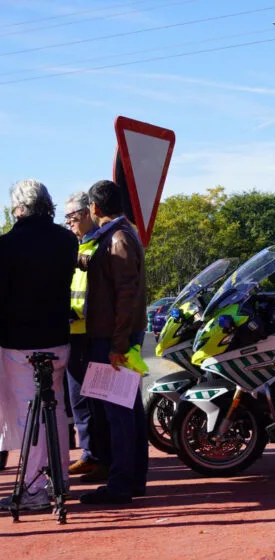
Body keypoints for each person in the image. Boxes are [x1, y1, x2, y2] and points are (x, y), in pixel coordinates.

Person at [0, 180, 78, 511]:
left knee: (27, 415)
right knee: (55, 408)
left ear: (18, 207)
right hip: (58, 337)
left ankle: (33, 489)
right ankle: (59, 478)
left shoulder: (7, 245)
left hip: (19, 343)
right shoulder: (66, 240)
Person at [78, 179, 148, 506]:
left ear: (94, 208)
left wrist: (118, 343)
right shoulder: (119, 235)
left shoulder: (118, 238)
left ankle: (121, 485)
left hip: (114, 339)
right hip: (118, 337)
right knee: (128, 410)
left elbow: (126, 294)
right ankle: (132, 480)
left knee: (119, 414)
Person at [64, 192, 110, 482]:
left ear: (87, 213)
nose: (69, 223)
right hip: (74, 333)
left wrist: (76, 312)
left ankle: (98, 458)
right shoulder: (78, 245)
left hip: (89, 334)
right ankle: (91, 454)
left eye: (72, 217)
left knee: (92, 400)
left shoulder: (97, 246)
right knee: (79, 400)